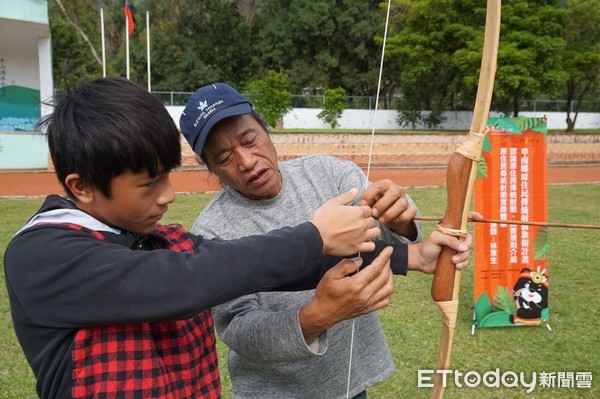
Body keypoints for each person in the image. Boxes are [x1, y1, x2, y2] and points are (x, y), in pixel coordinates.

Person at [4, 77, 419, 399]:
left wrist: (414, 256)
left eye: (167, 175)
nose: (168, 195)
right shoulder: (43, 254)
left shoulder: (160, 237)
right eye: (150, 184)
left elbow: (262, 267)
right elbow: (187, 279)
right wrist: (313, 235)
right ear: (82, 187)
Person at [179, 83, 472, 398]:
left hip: (349, 382)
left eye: (250, 140)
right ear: (209, 167)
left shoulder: (328, 172)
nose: (247, 161)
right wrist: (318, 316)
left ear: (266, 129)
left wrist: (402, 221)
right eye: (224, 158)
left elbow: (384, 235)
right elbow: (238, 328)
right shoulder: (210, 230)